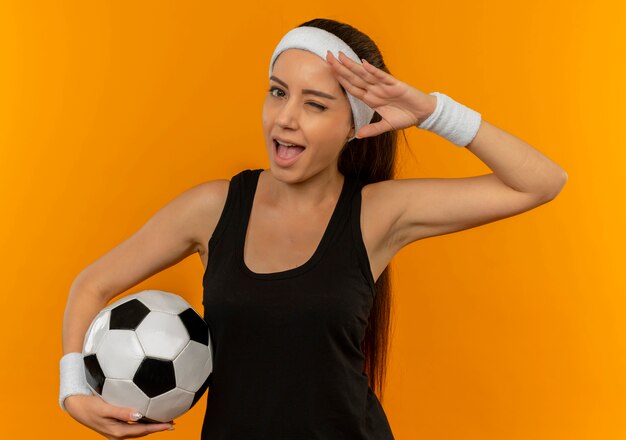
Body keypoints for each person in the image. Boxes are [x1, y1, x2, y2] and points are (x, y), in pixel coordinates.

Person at [59, 17, 568, 440]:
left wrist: (433, 112)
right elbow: (92, 285)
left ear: (354, 124)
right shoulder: (214, 208)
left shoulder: (376, 214)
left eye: (315, 104)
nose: (285, 118)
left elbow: (540, 182)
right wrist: (73, 389)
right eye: (278, 92)